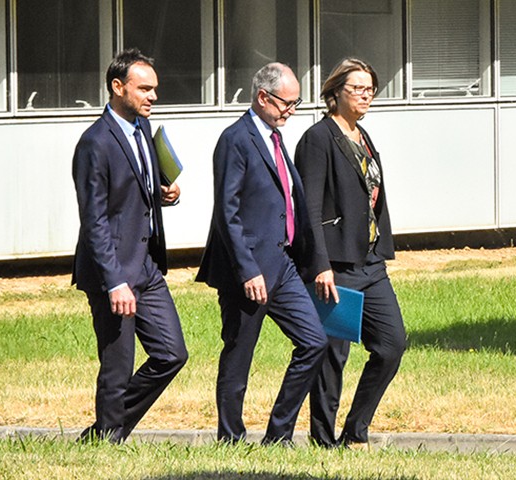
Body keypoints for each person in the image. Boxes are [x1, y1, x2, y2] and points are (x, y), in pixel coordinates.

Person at [195, 63, 328, 445]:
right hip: (248, 270)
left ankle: (279, 434)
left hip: (282, 264)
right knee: (239, 355)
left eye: (296, 103)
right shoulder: (236, 139)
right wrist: (246, 269)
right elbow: (227, 211)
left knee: (313, 341)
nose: (292, 110)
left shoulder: (275, 137)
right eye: (287, 103)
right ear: (263, 97)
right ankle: (231, 437)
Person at [72, 48, 188, 444]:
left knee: (172, 354)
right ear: (117, 87)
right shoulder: (95, 143)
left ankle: (108, 430)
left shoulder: (142, 130)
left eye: (155, 89)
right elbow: (95, 219)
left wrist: (161, 194)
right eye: (144, 89)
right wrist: (115, 281)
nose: (152, 96)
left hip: (147, 267)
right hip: (114, 273)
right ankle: (107, 440)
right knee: (117, 366)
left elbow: (133, 191)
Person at [294, 58, 407, 449]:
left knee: (392, 344)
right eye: (357, 88)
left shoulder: (363, 136)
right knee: (332, 356)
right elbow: (307, 207)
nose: (365, 94)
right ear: (335, 92)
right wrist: (319, 264)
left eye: (370, 88)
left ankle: (355, 430)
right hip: (336, 266)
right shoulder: (318, 138)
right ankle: (323, 440)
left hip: (370, 263)